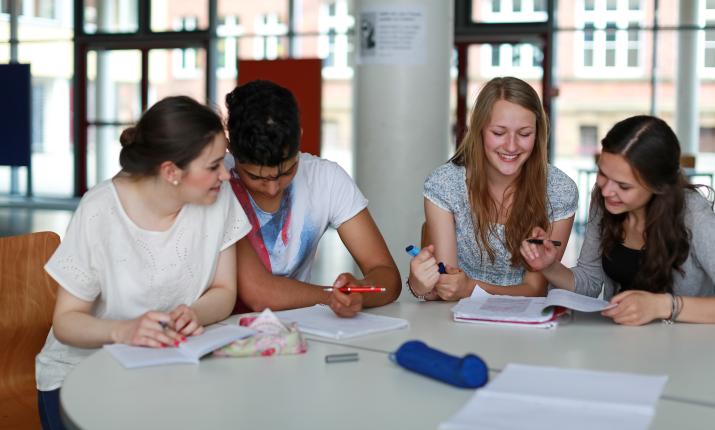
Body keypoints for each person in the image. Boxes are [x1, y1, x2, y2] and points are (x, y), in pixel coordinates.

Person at [35, 96, 249, 429]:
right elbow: (66, 322)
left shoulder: (217, 199)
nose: (225, 175)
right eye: (213, 166)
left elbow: (224, 290)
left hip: (165, 367)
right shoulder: (100, 211)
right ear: (171, 171)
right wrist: (125, 331)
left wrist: (194, 313)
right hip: (81, 376)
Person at [520, 115, 715, 326]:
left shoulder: (693, 214)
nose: (606, 191)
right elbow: (590, 282)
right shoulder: (605, 201)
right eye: (603, 174)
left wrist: (662, 306)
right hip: (624, 342)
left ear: (658, 186)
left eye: (624, 185)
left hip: (688, 350)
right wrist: (549, 266)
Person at [225, 80, 401, 318]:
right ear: (230, 148)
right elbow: (259, 294)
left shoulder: (326, 179)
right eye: (256, 177)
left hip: (298, 330)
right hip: (221, 330)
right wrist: (331, 296)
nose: (272, 188)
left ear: (299, 137)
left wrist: (360, 292)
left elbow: (386, 275)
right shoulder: (216, 180)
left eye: (286, 172)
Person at [407, 76, 577, 301]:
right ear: (479, 130)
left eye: (525, 134)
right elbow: (446, 287)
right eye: (498, 133)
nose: (511, 146)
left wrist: (470, 289)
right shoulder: (445, 184)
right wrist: (421, 285)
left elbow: (535, 289)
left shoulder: (559, 190)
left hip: (526, 323)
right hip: (456, 320)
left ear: (538, 135)